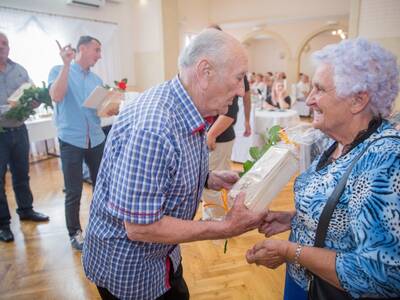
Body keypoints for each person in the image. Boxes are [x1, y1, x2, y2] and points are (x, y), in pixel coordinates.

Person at [82, 28, 268, 300]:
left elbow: (168, 167)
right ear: (205, 72)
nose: (242, 90)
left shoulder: (184, 106)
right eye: (239, 78)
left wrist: (209, 178)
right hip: (132, 271)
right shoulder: (154, 127)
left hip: (163, 256)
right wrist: (224, 227)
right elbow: (140, 227)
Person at [246, 38, 400, 299]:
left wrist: (288, 251)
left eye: (319, 89)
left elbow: (382, 274)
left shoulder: (385, 161)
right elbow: (343, 210)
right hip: (302, 283)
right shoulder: (334, 140)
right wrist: (295, 218)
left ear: (358, 101)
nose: (308, 100)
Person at [48, 36, 112, 250]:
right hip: (71, 140)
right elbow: (56, 96)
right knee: (73, 190)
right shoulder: (58, 70)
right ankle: (75, 232)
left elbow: (100, 111)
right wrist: (66, 64)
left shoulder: (96, 80)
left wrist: (113, 106)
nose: (100, 55)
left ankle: (101, 226)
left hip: (96, 138)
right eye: (97, 49)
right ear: (82, 49)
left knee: (102, 186)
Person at [0, 32, 49, 243]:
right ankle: (3, 224)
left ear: (9, 47)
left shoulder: (20, 70)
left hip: (19, 130)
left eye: (5, 43)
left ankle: (26, 210)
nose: (2, 47)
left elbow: (31, 93)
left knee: (22, 174)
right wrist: (8, 109)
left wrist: (35, 102)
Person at [201, 24, 252, 220]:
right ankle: (221, 214)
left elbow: (232, 110)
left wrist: (211, 134)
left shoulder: (228, 69)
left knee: (213, 181)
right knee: (221, 177)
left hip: (219, 135)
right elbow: (245, 99)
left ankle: (214, 219)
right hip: (220, 135)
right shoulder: (215, 68)